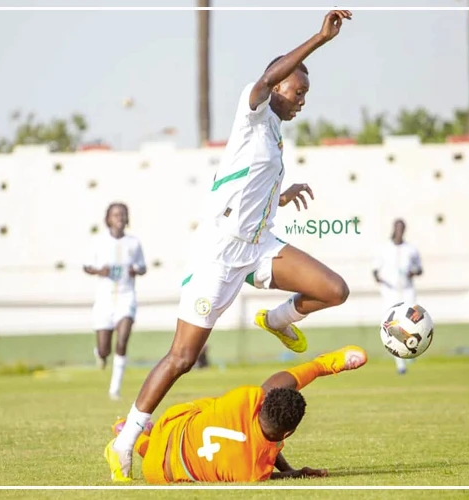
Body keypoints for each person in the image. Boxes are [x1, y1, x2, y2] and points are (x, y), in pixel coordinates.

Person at [106, 10, 355, 481]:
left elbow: (244, 188)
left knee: (334, 290)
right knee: (182, 358)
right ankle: (124, 441)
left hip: (258, 246)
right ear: (277, 86)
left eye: (305, 94)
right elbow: (268, 76)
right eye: (298, 91)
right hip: (220, 255)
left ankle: (277, 319)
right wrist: (320, 38)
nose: (302, 101)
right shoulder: (252, 110)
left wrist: (280, 195)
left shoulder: (274, 133)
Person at [106, 345, 367, 483]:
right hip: (158, 473)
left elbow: (276, 385)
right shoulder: (252, 471)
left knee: (210, 409)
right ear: (289, 432)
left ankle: (133, 432)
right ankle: (136, 438)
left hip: (173, 424)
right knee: (190, 461)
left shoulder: (246, 399)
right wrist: (292, 472)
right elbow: (266, 454)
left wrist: (320, 367)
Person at [83, 203, 146, 401]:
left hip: (126, 297)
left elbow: (143, 267)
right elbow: (87, 266)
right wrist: (99, 271)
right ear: (108, 218)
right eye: (115, 214)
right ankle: (101, 355)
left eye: (123, 214)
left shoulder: (133, 242)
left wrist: (135, 270)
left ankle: (115, 389)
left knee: (123, 339)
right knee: (105, 349)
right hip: (105, 299)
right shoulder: (99, 241)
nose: (119, 217)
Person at [372, 219, 423, 375]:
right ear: (393, 229)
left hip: (407, 291)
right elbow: (375, 270)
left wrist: (413, 272)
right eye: (397, 228)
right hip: (390, 292)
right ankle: (400, 363)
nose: (399, 231)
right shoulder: (384, 249)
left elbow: (420, 269)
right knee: (393, 326)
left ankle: (411, 349)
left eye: (402, 228)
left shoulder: (411, 249)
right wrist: (379, 278)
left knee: (412, 322)